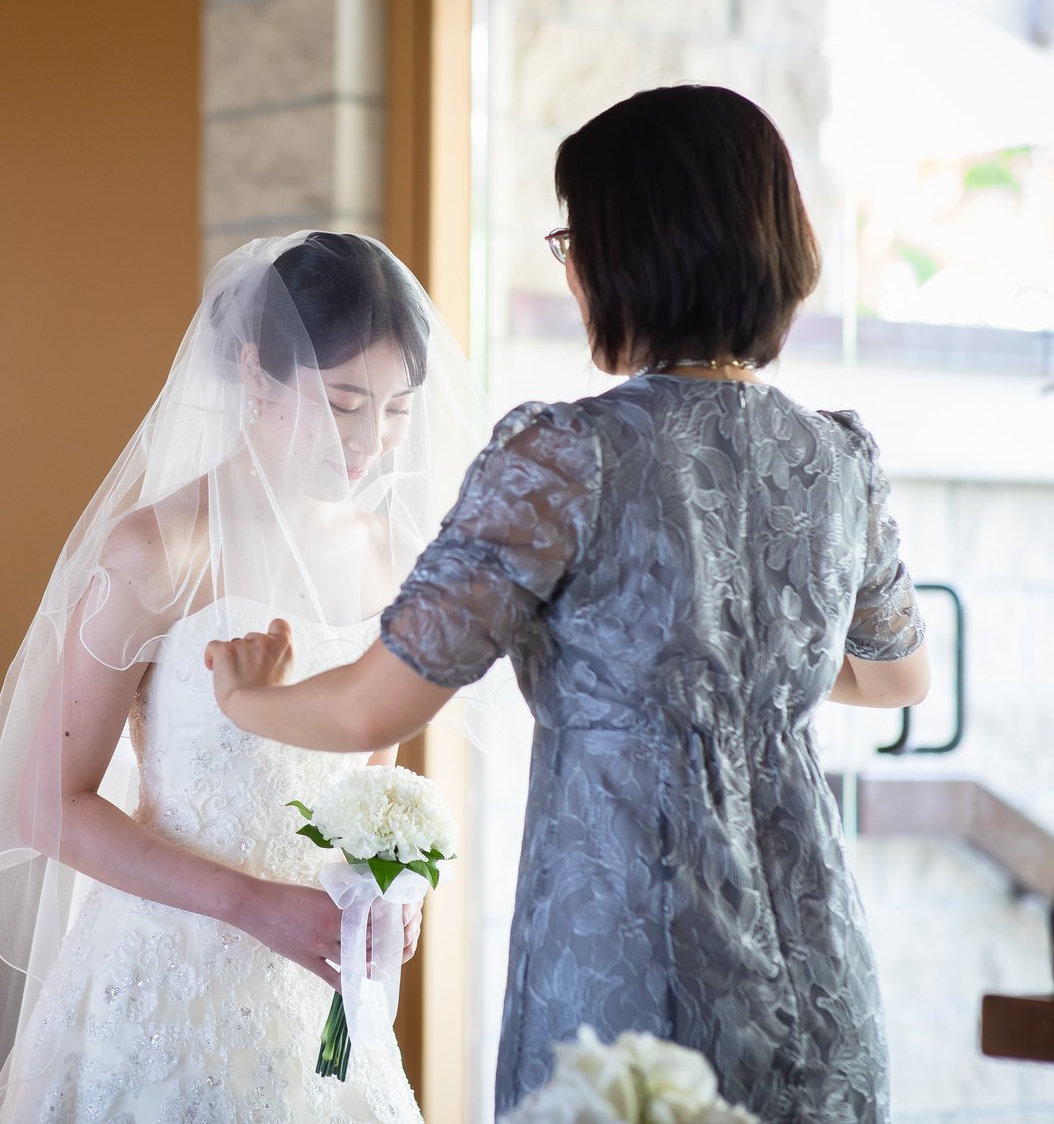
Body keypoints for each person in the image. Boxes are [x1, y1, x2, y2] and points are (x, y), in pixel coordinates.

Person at [209, 87, 931, 1124]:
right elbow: (899, 675)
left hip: (631, 941)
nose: (573, 267)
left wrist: (247, 699)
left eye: (574, 238)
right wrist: (748, 671)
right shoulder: (840, 456)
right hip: (816, 957)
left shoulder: (563, 454)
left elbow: (378, 704)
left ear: (632, 249)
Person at [0, 231, 485, 1123]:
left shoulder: (393, 559)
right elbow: (49, 805)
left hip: (312, 992)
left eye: (398, 409)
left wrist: (392, 882)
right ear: (256, 375)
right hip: (163, 979)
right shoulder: (158, 549)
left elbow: (370, 780)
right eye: (344, 403)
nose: (370, 441)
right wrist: (251, 905)